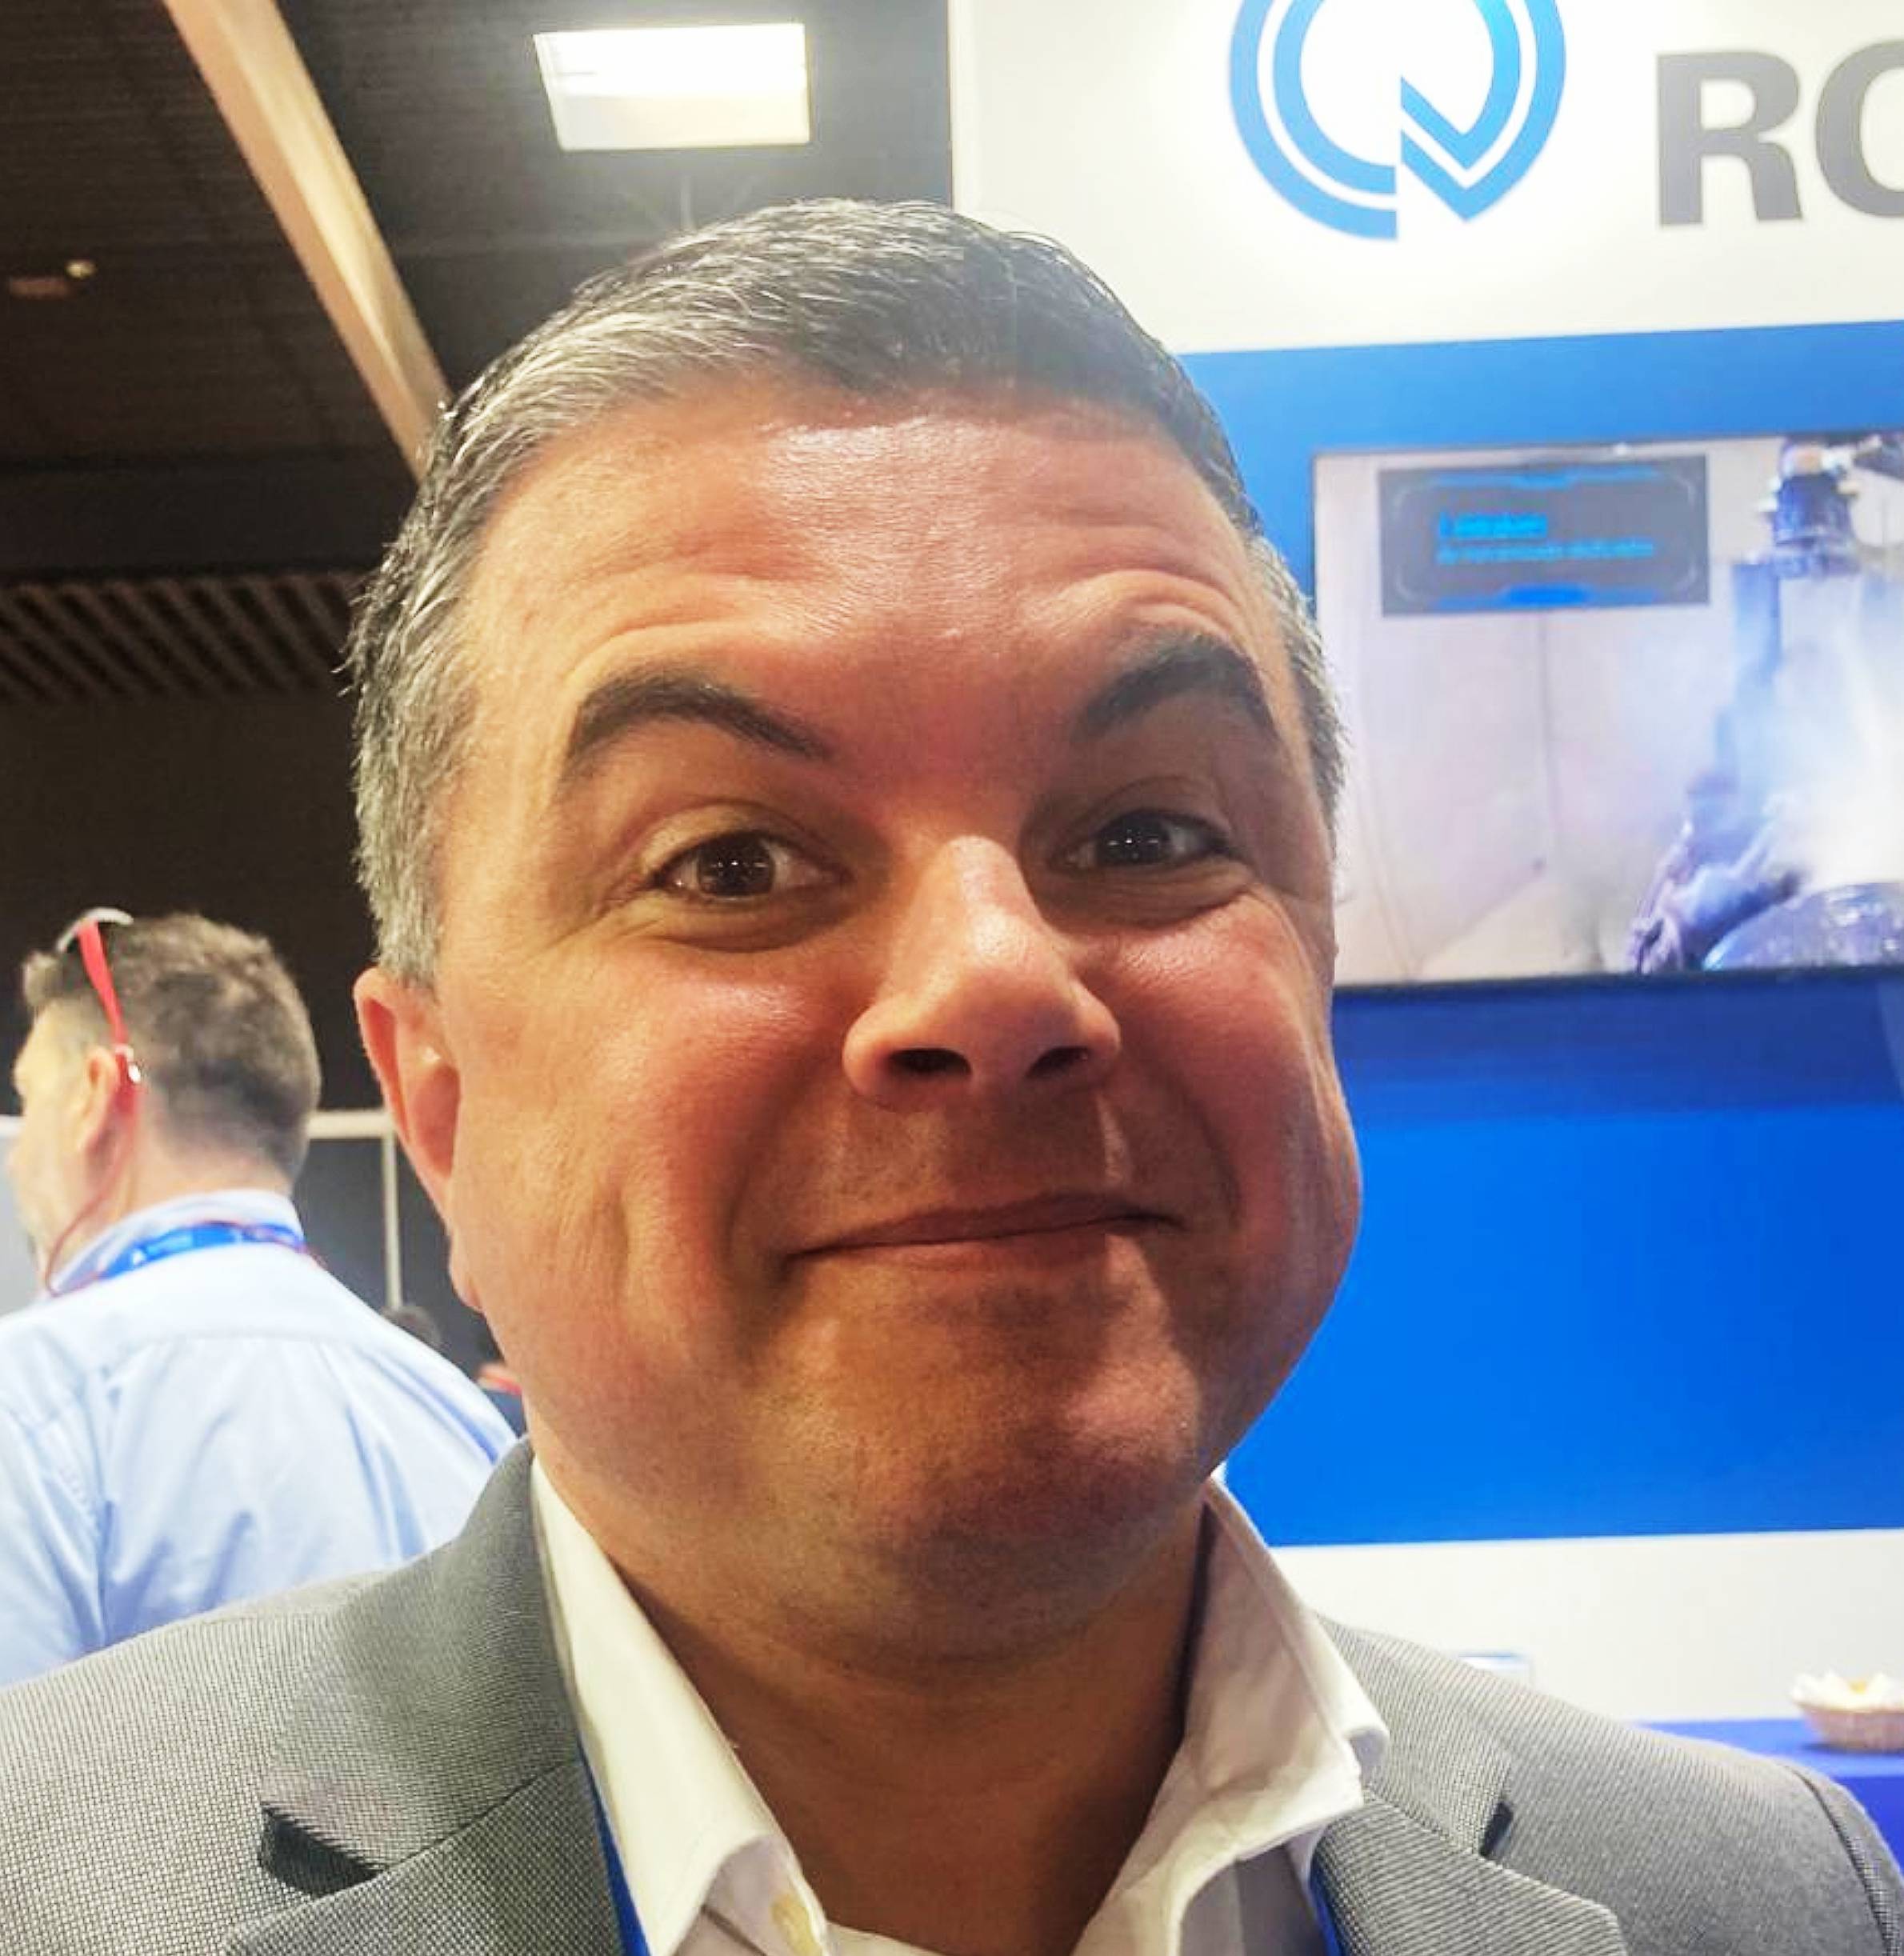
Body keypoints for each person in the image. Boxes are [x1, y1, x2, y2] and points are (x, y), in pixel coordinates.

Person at [0, 203, 1895, 1954]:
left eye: (1147, 833)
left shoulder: (1763, 1905)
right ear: (438, 1109)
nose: (995, 981)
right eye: (731, 861)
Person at [0, 909, 513, 1686]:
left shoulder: (31, 1401)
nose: (18, 1161)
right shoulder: (455, 1414)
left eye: (31, 1099)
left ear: (93, 1097)